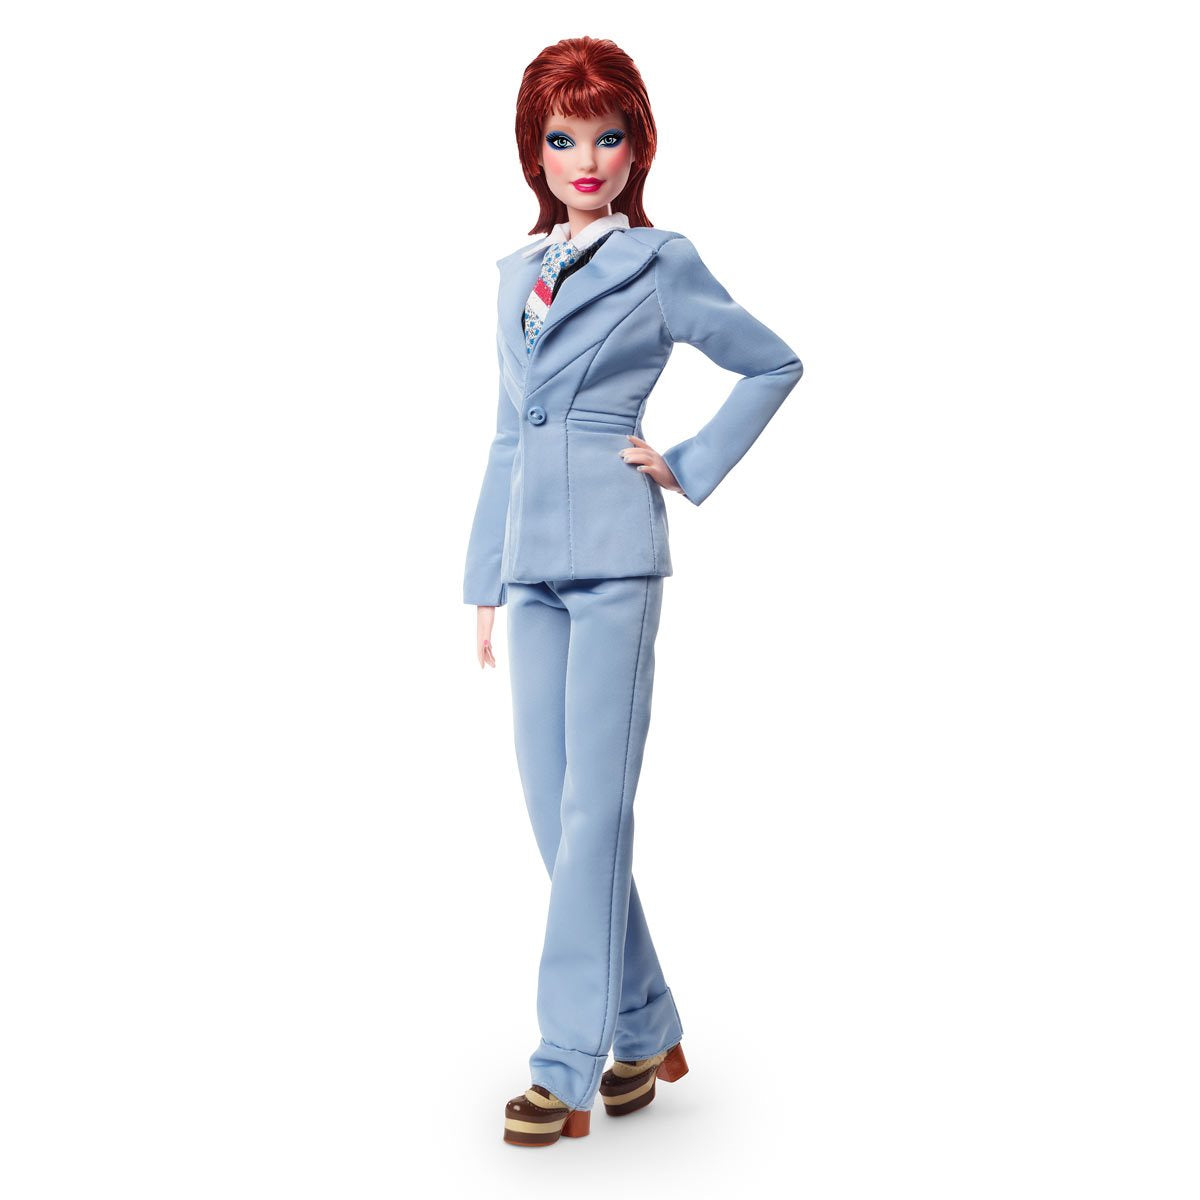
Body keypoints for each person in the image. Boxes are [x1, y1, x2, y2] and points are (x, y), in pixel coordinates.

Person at [463, 36, 804, 1147]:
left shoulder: (660, 262)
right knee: (554, 812)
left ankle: (565, 1063)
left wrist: (686, 462)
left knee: (595, 811)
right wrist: (482, 574)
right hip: (530, 566)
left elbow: (772, 362)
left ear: (636, 147)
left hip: (614, 555)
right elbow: (509, 431)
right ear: (536, 152)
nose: (586, 159)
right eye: (564, 138)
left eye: (607, 137)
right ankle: (648, 1023)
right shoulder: (515, 277)